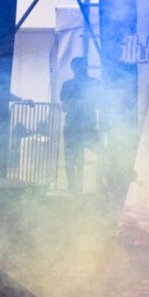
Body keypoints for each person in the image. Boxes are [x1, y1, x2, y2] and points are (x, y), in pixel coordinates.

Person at [59, 55, 100, 193]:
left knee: (103, 154)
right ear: (73, 69)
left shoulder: (94, 83)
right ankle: (73, 190)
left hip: (88, 127)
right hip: (73, 127)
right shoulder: (68, 85)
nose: (80, 69)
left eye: (81, 66)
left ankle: (102, 186)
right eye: (77, 67)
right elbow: (64, 106)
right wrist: (80, 103)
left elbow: (100, 102)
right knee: (70, 160)